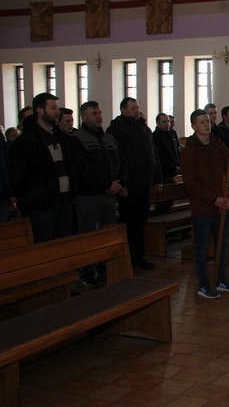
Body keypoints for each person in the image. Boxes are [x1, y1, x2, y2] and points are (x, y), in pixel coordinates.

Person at [181, 108, 229, 299]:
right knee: (202, 248)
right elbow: (191, 183)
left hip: (222, 204)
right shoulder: (190, 149)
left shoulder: (216, 144)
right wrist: (213, 199)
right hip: (203, 207)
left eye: (207, 121)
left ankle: (221, 279)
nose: (206, 124)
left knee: (223, 245)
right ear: (193, 126)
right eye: (201, 122)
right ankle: (204, 284)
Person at [69, 100, 127, 287]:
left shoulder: (108, 138)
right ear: (84, 117)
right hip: (89, 195)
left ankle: (105, 269)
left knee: (107, 233)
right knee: (88, 234)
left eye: (100, 112)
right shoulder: (77, 138)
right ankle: (87, 272)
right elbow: (84, 169)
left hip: (109, 195)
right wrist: (107, 183)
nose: (99, 116)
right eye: (94, 113)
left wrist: (119, 182)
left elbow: (120, 161)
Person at [9, 92, 75, 242]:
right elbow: (19, 177)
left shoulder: (60, 137)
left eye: (57, 108)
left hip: (63, 203)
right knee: (44, 248)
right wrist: (32, 199)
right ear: (40, 111)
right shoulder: (27, 141)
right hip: (40, 208)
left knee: (63, 246)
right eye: (53, 108)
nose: (57, 112)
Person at [107, 97, 163, 269]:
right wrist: (122, 183)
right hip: (129, 184)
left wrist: (158, 178)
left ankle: (138, 256)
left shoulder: (143, 128)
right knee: (129, 222)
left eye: (137, 107)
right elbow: (117, 158)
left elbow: (153, 154)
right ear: (123, 110)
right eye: (132, 108)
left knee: (140, 221)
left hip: (144, 182)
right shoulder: (116, 129)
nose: (136, 110)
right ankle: (129, 257)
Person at [152, 113, 181, 214]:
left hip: (173, 171)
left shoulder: (171, 135)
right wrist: (173, 168)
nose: (167, 124)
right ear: (157, 123)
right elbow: (160, 158)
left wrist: (178, 165)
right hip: (163, 173)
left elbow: (175, 152)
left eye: (168, 121)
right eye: (164, 122)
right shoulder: (155, 137)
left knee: (170, 201)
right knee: (163, 201)